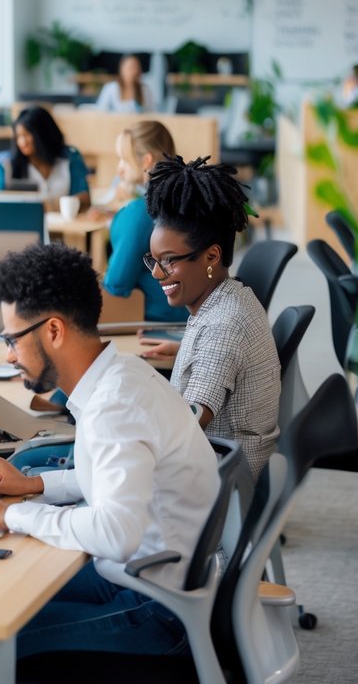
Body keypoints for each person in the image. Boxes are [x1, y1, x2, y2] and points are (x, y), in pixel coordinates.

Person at [0, 242, 218, 659]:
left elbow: (116, 533)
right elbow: (115, 478)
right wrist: (34, 483)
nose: (9, 357)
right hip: (146, 574)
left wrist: (9, 513)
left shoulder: (115, 405)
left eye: (12, 341)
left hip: (157, 610)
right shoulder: (123, 373)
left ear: (54, 331)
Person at [140, 156, 281, 479]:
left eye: (170, 261)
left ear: (212, 256)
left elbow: (188, 422)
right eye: (155, 260)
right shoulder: (227, 298)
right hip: (224, 466)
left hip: (221, 482)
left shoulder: (222, 325)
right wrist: (187, 353)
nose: (158, 274)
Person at [102, 121, 189, 323]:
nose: (119, 169)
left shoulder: (139, 213)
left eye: (124, 159)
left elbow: (116, 285)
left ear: (146, 161)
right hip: (191, 315)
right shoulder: (184, 198)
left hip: (161, 321)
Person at [0, 106, 93, 210]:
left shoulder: (70, 158)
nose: (22, 142)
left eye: (27, 134)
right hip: (25, 225)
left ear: (43, 134)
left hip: (62, 225)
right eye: (18, 136)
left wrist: (49, 206)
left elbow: (85, 199)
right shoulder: (6, 164)